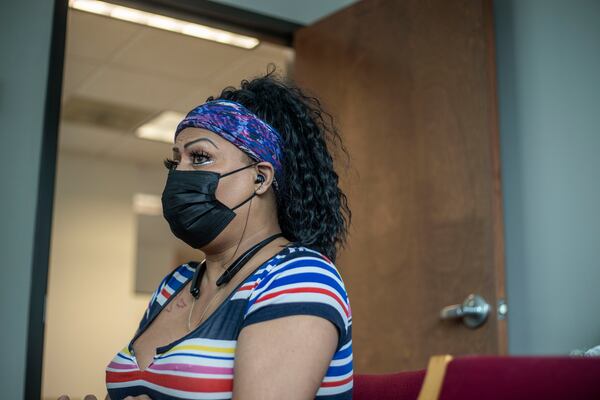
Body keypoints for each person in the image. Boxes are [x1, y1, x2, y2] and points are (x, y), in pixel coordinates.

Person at [60, 66, 353, 400]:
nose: (180, 173)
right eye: (175, 162)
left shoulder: (299, 278)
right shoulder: (174, 285)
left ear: (260, 178)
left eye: (199, 157)